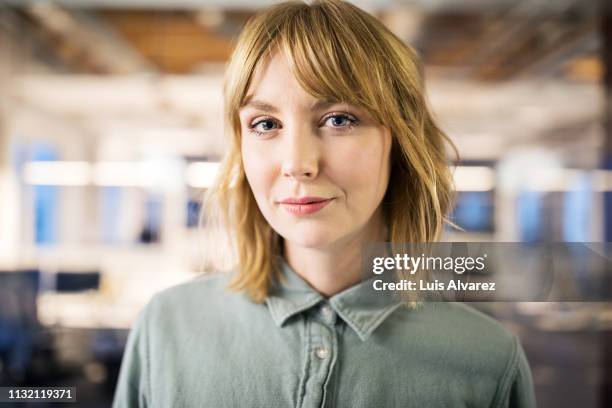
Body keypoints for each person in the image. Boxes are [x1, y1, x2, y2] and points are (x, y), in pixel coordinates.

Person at [112, 1, 536, 406]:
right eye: (265, 124)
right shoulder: (166, 328)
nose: (298, 164)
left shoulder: (487, 362)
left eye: (339, 119)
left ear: (400, 142)